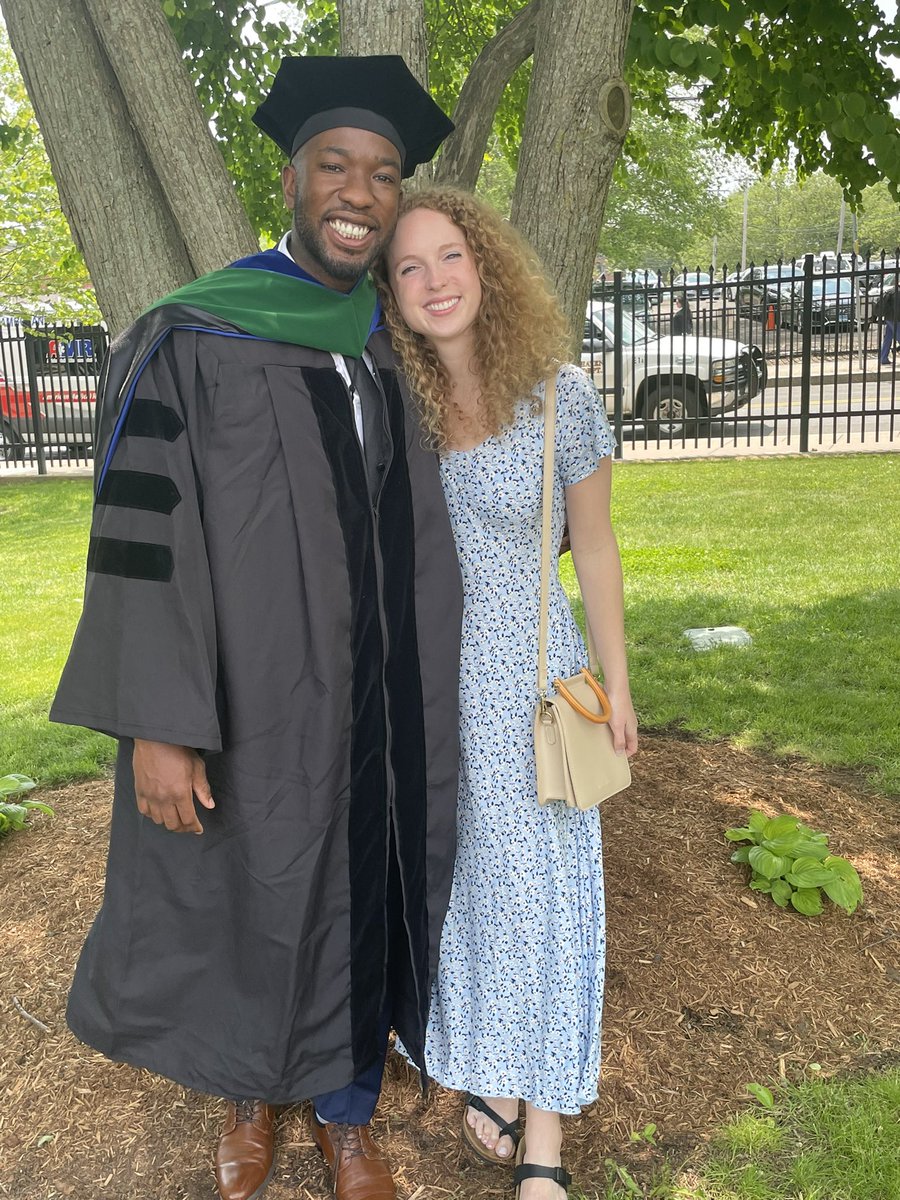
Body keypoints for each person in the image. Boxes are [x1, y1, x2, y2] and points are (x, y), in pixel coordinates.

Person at [50, 56, 463, 1200]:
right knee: (253, 879)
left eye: (383, 174)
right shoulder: (200, 333)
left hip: (382, 695)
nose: (359, 191)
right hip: (251, 696)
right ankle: (247, 1098)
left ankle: (346, 1113)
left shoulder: (396, 340)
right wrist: (161, 729)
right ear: (290, 177)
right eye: (336, 164)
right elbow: (142, 541)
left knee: (366, 876)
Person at [374, 190, 639, 1198]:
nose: (436, 279)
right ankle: (489, 1073)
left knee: (551, 901)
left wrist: (617, 682)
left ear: (485, 267)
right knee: (471, 893)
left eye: (451, 256)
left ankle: (545, 1138)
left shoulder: (558, 394)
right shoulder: (400, 407)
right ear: (393, 294)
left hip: (532, 683)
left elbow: (599, 548)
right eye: (410, 267)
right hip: (434, 694)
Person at [875, 275, 899, 365]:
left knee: (888, 338)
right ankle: (884, 357)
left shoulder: (890, 291)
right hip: (896, 319)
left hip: (888, 318)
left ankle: (883, 358)